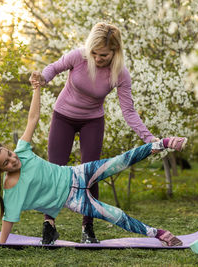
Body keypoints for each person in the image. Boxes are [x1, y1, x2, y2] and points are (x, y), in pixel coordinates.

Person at [0, 75, 187, 246]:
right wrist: (1, 243)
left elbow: (33, 118)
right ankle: (158, 233)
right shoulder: (11, 189)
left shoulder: (22, 151)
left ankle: (162, 143)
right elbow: (9, 220)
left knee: (120, 161)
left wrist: (36, 89)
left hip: (77, 173)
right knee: (115, 215)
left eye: (9, 154)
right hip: (73, 201)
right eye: (6, 163)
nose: (13, 160)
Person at [30, 22, 159, 244]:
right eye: (95, 53)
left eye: (104, 55)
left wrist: (150, 139)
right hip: (63, 116)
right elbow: (53, 68)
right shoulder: (78, 57)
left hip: (93, 121)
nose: (98, 59)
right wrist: (42, 77)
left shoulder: (120, 74)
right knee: (55, 170)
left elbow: (128, 111)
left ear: (115, 52)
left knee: (92, 174)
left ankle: (87, 228)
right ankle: (49, 225)